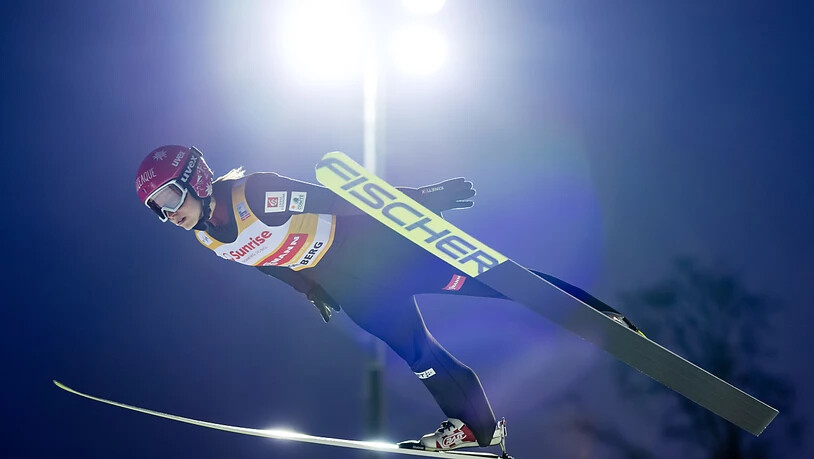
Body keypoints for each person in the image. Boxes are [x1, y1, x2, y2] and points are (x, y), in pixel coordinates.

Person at [135, 145, 644, 452]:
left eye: (172, 199)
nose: (170, 214)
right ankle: (477, 430)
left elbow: (337, 197)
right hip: (346, 284)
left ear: (197, 179)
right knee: (419, 356)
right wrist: (309, 288)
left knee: (497, 283)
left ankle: (599, 317)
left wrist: (418, 200)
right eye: (158, 210)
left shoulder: (254, 194)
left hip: (376, 253)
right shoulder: (207, 238)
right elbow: (268, 262)